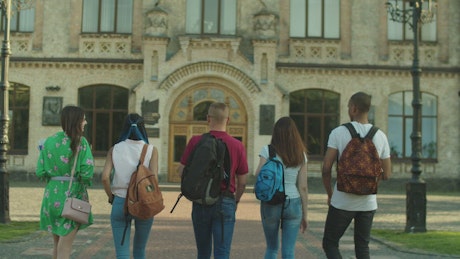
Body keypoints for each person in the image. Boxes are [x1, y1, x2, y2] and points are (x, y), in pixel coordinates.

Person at [321, 92, 392, 259]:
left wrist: (330, 194)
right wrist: (369, 182)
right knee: (362, 247)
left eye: (348, 107)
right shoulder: (381, 136)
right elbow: (387, 173)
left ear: (353, 108)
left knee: (330, 243)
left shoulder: (338, 132)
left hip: (342, 200)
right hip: (368, 203)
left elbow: (326, 168)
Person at [177, 102, 249, 259]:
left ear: (207, 118)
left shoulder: (196, 141)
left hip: (201, 200)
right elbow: (242, 181)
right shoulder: (237, 145)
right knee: (222, 253)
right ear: (228, 120)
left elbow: (181, 171)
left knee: (203, 252)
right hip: (226, 201)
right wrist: (235, 201)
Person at [36, 105, 94, 259]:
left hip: (51, 197)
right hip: (71, 196)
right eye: (83, 119)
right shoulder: (81, 142)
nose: (85, 122)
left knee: (57, 244)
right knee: (65, 247)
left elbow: (40, 171)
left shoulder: (49, 141)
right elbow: (87, 172)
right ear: (76, 121)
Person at [101, 113, 158, 259]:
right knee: (140, 250)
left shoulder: (114, 149)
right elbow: (154, 179)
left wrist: (111, 196)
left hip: (120, 201)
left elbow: (105, 178)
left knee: (122, 253)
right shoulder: (151, 150)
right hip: (143, 202)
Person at [254, 116, 308, 259]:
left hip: (271, 200)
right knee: (289, 251)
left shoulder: (268, 151)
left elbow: (258, 174)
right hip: (293, 202)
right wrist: (305, 215)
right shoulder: (300, 154)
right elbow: (303, 187)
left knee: (272, 248)